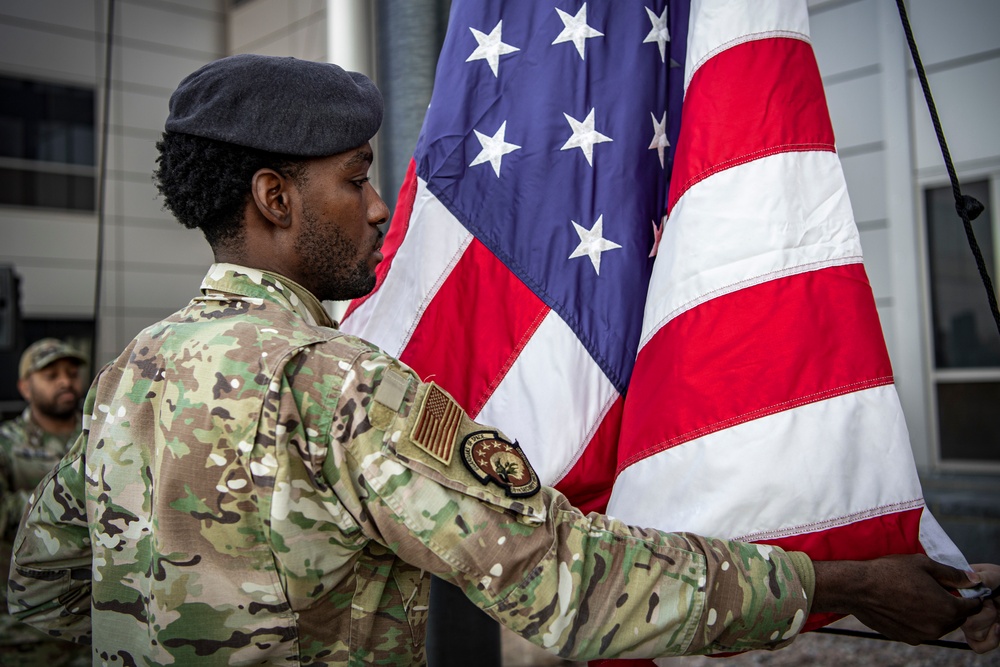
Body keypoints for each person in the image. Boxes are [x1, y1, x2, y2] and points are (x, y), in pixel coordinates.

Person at [7, 54, 997, 665]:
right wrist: (845, 585)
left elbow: (40, 606)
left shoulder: (120, 381)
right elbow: (564, 578)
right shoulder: (334, 383)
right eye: (355, 180)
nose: (380, 205)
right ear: (274, 199)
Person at [1, 338, 90, 665]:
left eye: (70, 372)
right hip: (26, 626)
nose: (66, 381)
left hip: (89, 622)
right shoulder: (7, 444)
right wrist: (63, 505)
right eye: (51, 375)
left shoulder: (97, 439)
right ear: (25, 387)